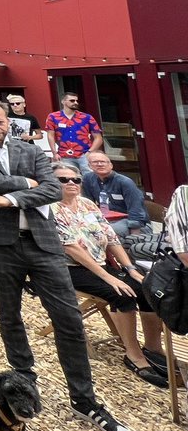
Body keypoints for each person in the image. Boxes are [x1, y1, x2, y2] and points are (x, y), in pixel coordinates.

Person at [0, 96, 136, 431]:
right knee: (9, 312)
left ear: (8, 119)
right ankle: (24, 377)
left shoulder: (32, 149)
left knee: (68, 317)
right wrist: (28, 184)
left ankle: (84, 399)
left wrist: (9, 198)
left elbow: (54, 187)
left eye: (0, 121)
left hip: (42, 239)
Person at [49, 164, 168, 388]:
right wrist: (109, 277)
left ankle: (153, 347)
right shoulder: (50, 209)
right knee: (121, 294)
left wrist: (130, 269)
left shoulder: (87, 205)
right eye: (64, 180)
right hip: (70, 268)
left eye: (76, 179)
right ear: (52, 182)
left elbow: (112, 238)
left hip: (101, 264)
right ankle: (133, 355)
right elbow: (71, 248)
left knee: (147, 288)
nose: (71, 183)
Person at [80, 151, 150, 235]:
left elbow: (136, 209)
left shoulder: (124, 182)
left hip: (133, 223)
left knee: (105, 231)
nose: (99, 164)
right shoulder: (88, 179)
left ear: (111, 165)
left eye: (103, 162)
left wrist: (135, 236)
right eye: (95, 162)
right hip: (105, 219)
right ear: (89, 166)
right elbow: (88, 204)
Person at [45, 91, 103, 173]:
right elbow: (50, 135)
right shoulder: (53, 116)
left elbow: (98, 138)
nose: (75, 103)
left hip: (84, 153)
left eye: (76, 101)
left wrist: (90, 152)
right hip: (64, 154)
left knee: (89, 178)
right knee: (69, 178)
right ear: (63, 101)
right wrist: (54, 153)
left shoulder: (86, 117)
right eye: (72, 101)